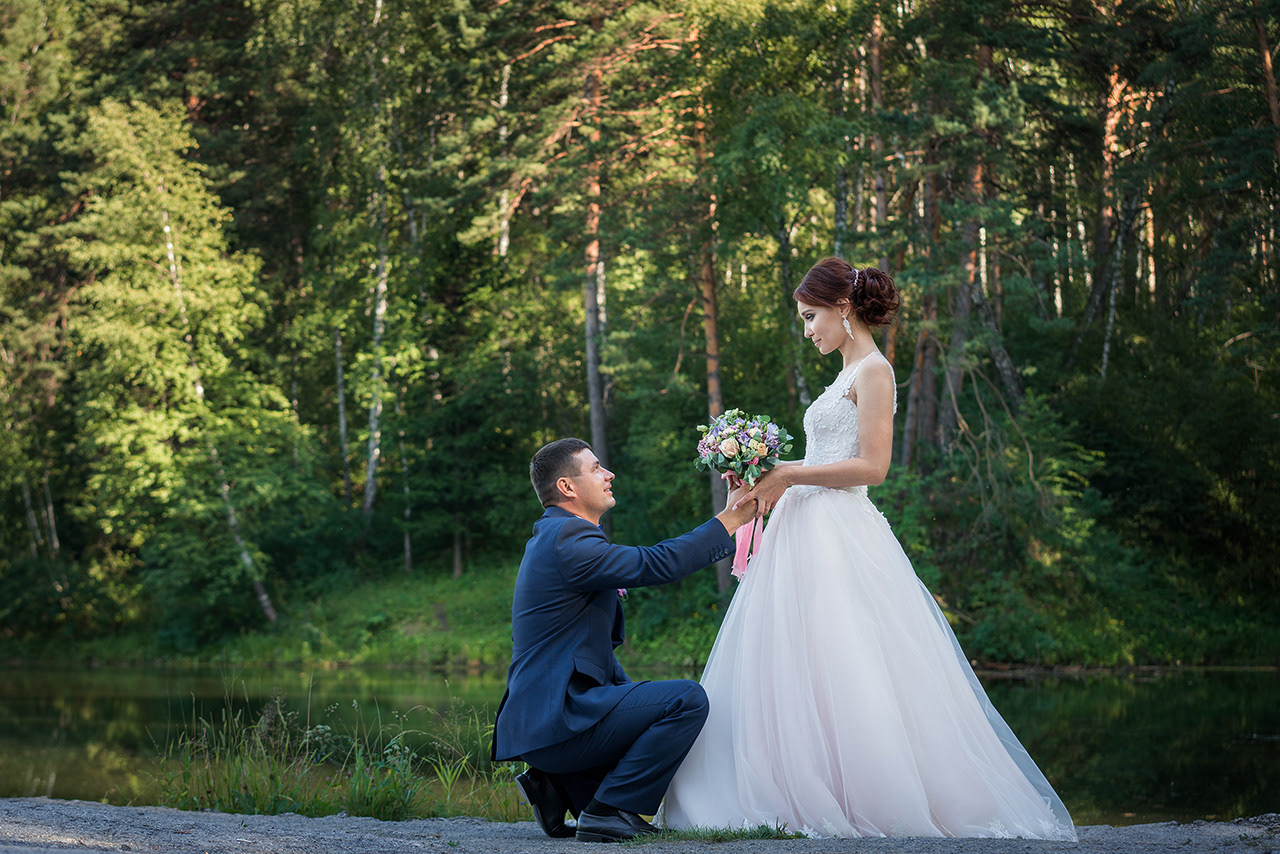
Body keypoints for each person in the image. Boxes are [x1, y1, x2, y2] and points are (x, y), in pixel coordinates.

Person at [657, 258, 1077, 840]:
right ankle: (789, 782)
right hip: (802, 527)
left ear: (843, 308)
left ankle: (859, 791)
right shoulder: (841, 374)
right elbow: (825, 457)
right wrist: (765, 474)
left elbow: (872, 469)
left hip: (838, 532)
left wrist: (789, 474)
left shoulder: (874, 372)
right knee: (794, 658)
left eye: (811, 317)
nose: (807, 330)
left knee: (843, 657)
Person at [492, 438, 759, 842]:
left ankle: (558, 784)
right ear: (567, 487)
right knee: (686, 700)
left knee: (652, 706)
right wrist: (731, 519)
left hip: (551, 722)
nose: (609, 474)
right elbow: (656, 563)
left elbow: (590, 651)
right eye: (596, 468)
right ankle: (608, 811)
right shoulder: (567, 539)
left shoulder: (558, 537)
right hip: (557, 720)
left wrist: (636, 701)